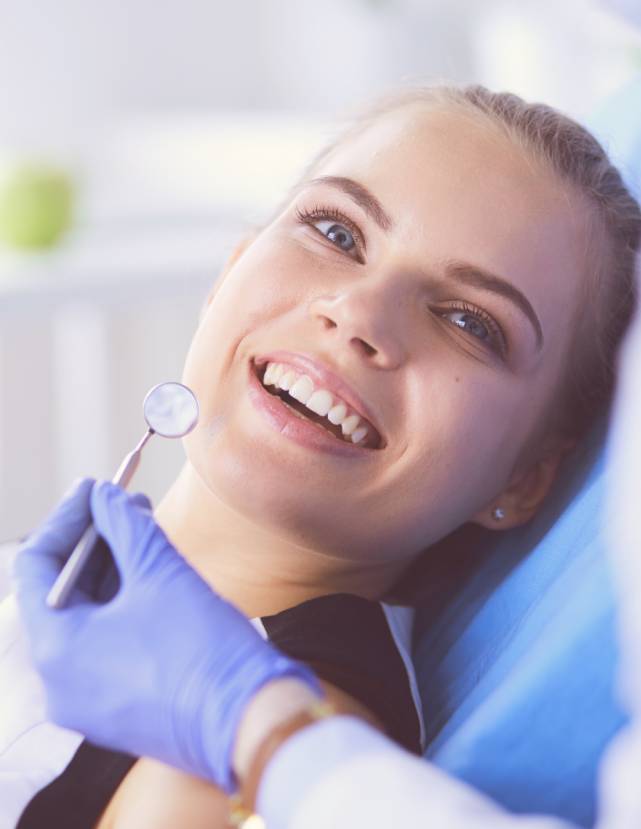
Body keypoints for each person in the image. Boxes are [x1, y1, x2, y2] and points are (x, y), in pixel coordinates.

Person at [7, 81, 641, 828]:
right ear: (228, 273)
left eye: (469, 320)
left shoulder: (273, 729)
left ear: (523, 477)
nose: (359, 313)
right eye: (336, 233)